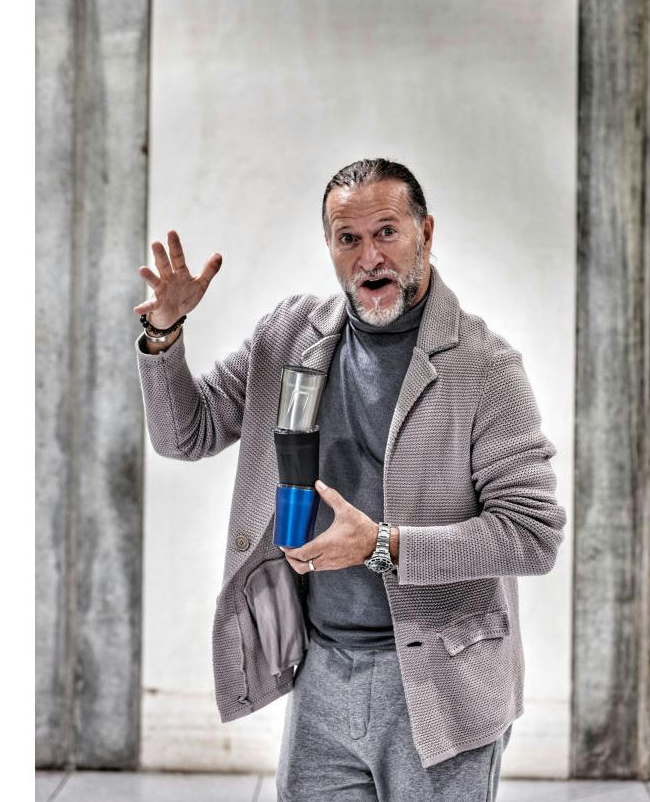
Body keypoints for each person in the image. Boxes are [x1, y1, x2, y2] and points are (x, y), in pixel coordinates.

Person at [134, 159, 567, 802]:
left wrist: (382, 546)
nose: (370, 257)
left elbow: (533, 535)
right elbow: (185, 434)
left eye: (387, 231)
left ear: (425, 232)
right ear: (330, 246)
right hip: (323, 678)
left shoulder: (486, 366)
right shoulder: (289, 339)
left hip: (442, 686)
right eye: (349, 238)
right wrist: (164, 333)